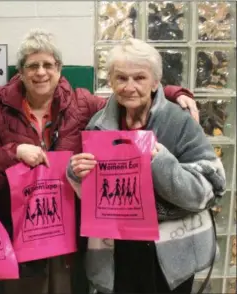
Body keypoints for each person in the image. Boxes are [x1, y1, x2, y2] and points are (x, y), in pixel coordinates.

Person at [0, 29, 198, 294]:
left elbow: (127, 97)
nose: (41, 72)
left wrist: (172, 93)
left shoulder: (82, 103)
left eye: (49, 64)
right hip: (21, 232)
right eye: (32, 65)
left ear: (59, 68)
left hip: (70, 231)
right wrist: (14, 152)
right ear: (20, 72)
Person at [67, 38, 226, 294]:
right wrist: (75, 173)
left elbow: (209, 189)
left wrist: (161, 162)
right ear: (111, 81)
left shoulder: (179, 122)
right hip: (117, 253)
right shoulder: (98, 125)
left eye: (139, 78)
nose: (129, 87)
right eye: (121, 78)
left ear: (155, 82)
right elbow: (94, 198)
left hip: (170, 255)